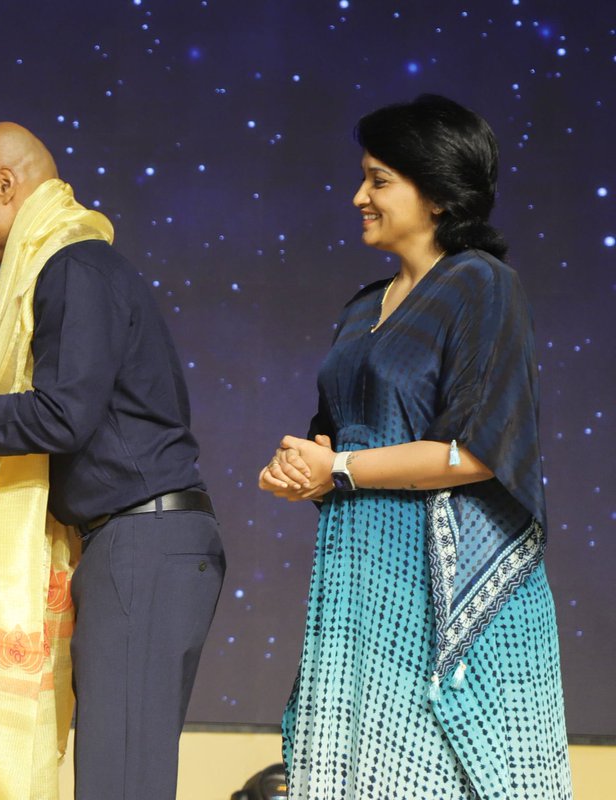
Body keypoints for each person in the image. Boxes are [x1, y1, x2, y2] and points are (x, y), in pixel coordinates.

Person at [0, 122, 225, 800]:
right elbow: (75, 419)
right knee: (114, 779)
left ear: (6, 186)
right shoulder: (67, 267)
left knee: (120, 784)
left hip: (144, 545)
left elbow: (62, 415)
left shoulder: (72, 266)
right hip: (131, 545)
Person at [259, 95, 572, 799]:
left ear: (433, 191)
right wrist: (301, 467)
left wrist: (339, 468)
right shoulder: (363, 306)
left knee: (429, 768)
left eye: (378, 180)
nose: (358, 197)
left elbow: (476, 451)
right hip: (359, 562)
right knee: (354, 762)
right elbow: (334, 432)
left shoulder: (481, 286)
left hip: (442, 569)